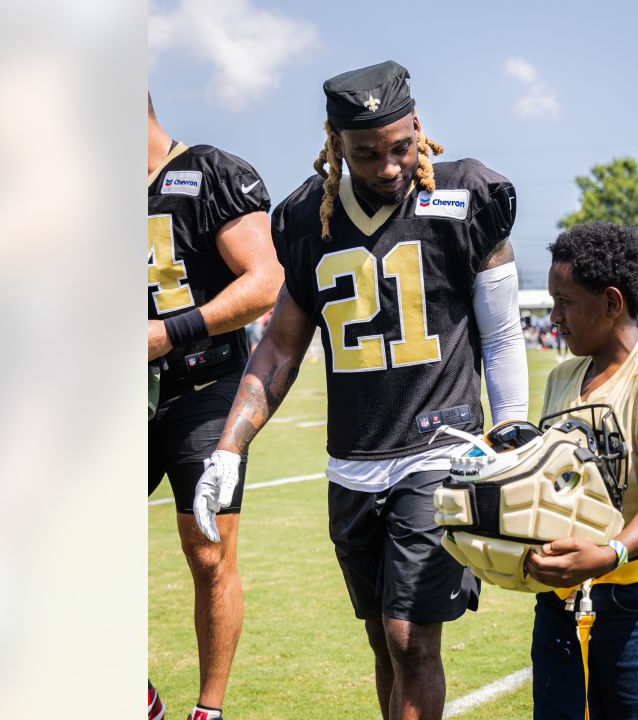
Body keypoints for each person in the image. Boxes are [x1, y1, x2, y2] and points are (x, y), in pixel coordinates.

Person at [193, 60, 528, 720]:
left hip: (442, 450)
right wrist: (228, 448)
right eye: (366, 153)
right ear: (335, 145)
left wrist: (511, 428)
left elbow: (505, 332)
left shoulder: (462, 197)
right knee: (382, 637)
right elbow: (281, 346)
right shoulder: (305, 220)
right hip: (354, 461)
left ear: (418, 130)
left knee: (411, 639)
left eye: (401, 147)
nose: (389, 167)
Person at [527, 222, 638, 719]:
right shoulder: (562, 377)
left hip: (636, 603)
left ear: (611, 302)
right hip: (561, 600)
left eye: (565, 302)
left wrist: (611, 553)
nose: (554, 317)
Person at [147, 93, 284, 720]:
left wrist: (166, 332)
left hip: (201, 388)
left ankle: (209, 709)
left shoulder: (205, 172)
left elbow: (265, 281)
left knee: (208, 552)